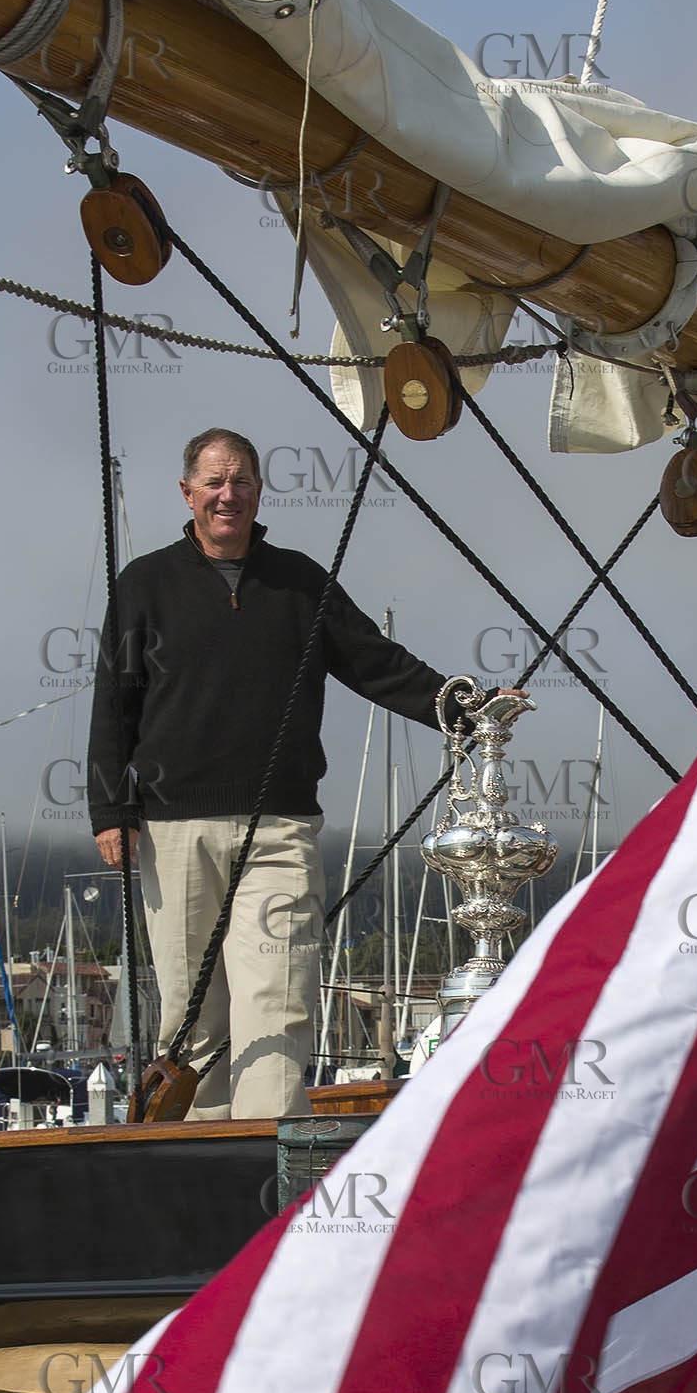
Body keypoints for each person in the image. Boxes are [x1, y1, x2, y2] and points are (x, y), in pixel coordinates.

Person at [88, 427, 494, 1120]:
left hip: (278, 825)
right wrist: (109, 813)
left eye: (240, 480)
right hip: (172, 827)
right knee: (194, 1019)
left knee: (277, 1001)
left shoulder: (300, 582)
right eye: (214, 482)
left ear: (258, 492)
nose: (227, 494)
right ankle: (201, 1173)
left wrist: (464, 708)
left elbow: (374, 660)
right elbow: (114, 703)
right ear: (187, 493)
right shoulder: (145, 584)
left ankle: (263, 1162)